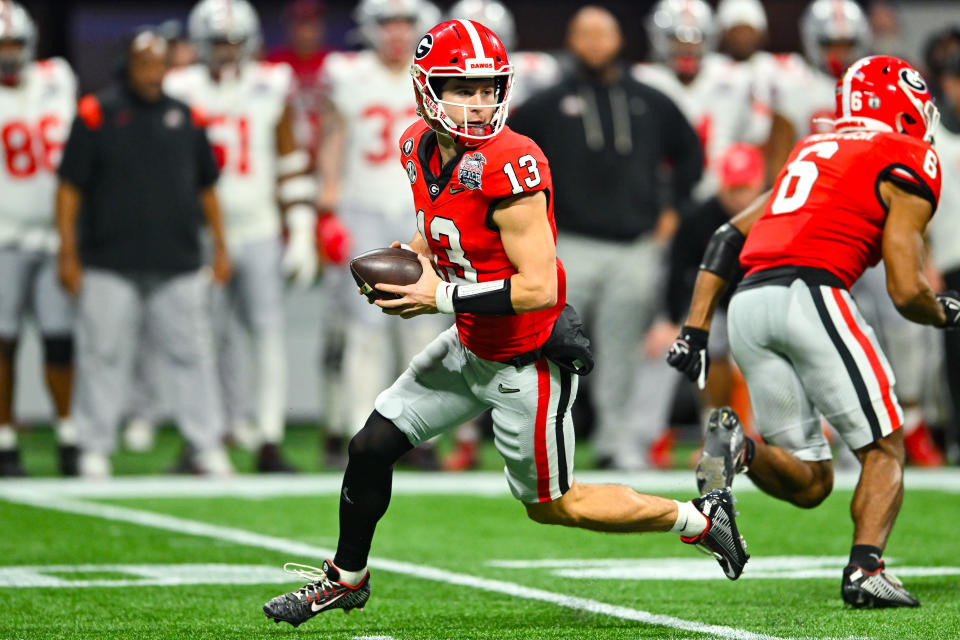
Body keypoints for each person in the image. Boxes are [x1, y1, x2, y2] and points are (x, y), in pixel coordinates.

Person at [262, 19, 748, 628]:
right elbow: (437, 226)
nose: (477, 101)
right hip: (470, 343)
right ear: (424, 90)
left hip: (528, 361)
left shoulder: (512, 163)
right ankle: (345, 579)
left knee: (554, 506)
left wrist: (437, 295)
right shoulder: (418, 145)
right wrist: (407, 258)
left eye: (488, 87)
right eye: (461, 87)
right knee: (369, 447)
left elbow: (537, 286)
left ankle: (701, 519)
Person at [667, 55, 955, 608]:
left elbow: (727, 237)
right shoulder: (908, 154)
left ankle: (739, 448)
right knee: (885, 446)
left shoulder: (813, 150)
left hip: (749, 303)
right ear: (904, 103)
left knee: (813, 482)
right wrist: (941, 311)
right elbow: (904, 288)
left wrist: (696, 330)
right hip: (811, 294)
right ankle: (866, 571)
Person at [510, 6, 702, 471]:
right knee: (547, 347)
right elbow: (506, 157)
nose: (595, 43)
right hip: (566, 246)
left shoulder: (650, 99)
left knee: (621, 353)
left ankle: (617, 444)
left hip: (633, 247)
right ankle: (543, 444)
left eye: (604, 34)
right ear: (571, 41)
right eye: (585, 34)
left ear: (619, 41)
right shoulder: (546, 104)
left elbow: (691, 153)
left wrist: (674, 209)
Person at [56, 30, 232, 479]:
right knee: (103, 354)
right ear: (127, 67)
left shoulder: (186, 117)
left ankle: (205, 444)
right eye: (144, 65)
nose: (153, 74)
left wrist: (220, 245)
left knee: (193, 354)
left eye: (159, 65)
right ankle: (93, 445)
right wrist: (68, 253)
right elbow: (69, 188)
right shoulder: (96, 113)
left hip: (177, 260)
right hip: (108, 261)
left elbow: (207, 188)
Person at [163, 0, 315, 472]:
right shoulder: (181, 87)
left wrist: (303, 231)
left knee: (266, 335)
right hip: (202, 234)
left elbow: (290, 162)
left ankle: (268, 436)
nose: (226, 52)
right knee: (201, 339)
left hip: (259, 229)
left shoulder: (271, 85)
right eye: (217, 43)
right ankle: (203, 437)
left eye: (232, 42)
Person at [315, 0, 444, 468]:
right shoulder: (347, 74)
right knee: (363, 328)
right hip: (362, 206)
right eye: (388, 23)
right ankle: (361, 432)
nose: (396, 33)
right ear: (370, 28)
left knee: (426, 327)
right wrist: (327, 205)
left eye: (405, 23)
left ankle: (421, 436)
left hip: (425, 211)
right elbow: (331, 137)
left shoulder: (435, 75)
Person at [0, 1, 77, 476]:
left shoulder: (57, 78)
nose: (8, 55)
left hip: (52, 236)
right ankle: (4, 438)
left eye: (13, 45)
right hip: (2, 237)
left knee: (60, 341)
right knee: (3, 343)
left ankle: (69, 436)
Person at [928, 49, 960, 464]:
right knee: (953, 358)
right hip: (950, 259)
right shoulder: (933, 135)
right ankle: (954, 436)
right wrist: (924, 260)